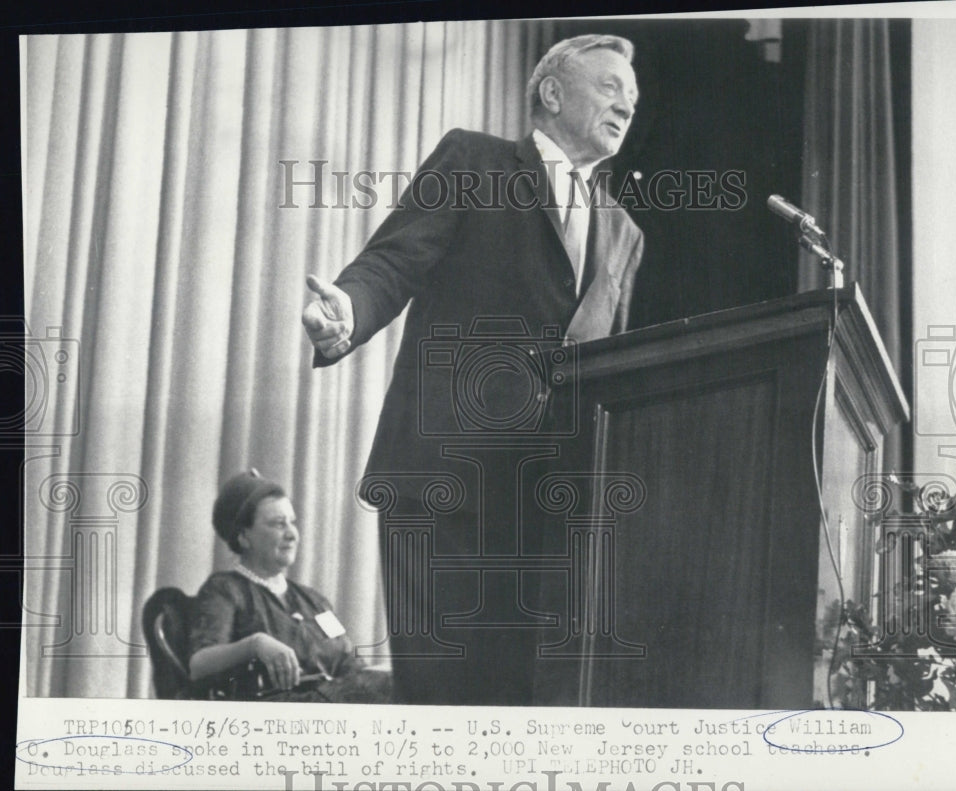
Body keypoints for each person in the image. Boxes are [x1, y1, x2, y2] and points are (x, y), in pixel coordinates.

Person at [301, 35, 643, 705]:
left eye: (632, 97)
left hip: (549, 505)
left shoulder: (626, 232)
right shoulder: (475, 160)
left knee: (521, 713)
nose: (626, 105)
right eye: (610, 86)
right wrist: (348, 307)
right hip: (444, 487)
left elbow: (614, 367)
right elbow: (393, 262)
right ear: (552, 92)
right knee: (443, 707)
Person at [188, 469, 391, 702]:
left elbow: (352, 669)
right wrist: (255, 644)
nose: (292, 534)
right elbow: (199, 665)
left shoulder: (313, 601)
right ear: (244, 537)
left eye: (291, 522)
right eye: (277, 524)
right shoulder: (226, 589)